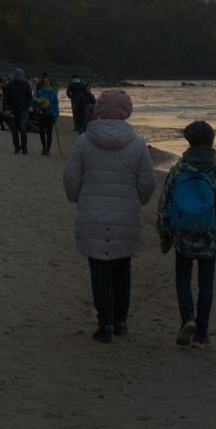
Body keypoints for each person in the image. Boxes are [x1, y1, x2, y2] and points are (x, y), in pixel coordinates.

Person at [62, 87, 154, 342]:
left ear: (99, 109)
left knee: (99, 268)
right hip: (126, 215)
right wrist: (139, 201)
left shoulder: (84, 141)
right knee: (122, 267)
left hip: (92, 213)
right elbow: (147, 183)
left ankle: (105, 324)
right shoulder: (137, 144)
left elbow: (70, 177)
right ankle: (120, 320)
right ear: (127, 111)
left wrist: (77, 196)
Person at [156, 118, 216, 348]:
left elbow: (164, 204)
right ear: (212, 143)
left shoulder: (178, 169)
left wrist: (164, 237)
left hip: (182, 236)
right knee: (206, 283)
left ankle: (187, 318)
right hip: (209, 237)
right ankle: (201, 335)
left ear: (188, 142)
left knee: (182, 277)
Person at [0, 69, 35, 153]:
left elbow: (29, 97)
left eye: (22, 76)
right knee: (14, 129)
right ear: (15, 77)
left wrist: (26, 106)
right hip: (12, 110)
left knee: (23, 128)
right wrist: (5, 109)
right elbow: (5, 98)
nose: (21, 78)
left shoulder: (26, 85)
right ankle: (17, 147)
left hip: (23, 110)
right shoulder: (9, 85)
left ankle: (24, 147)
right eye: (19, 76)